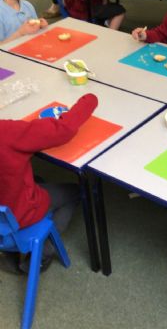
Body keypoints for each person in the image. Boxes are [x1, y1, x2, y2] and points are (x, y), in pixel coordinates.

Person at [0, 93, 98, 274]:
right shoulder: (6, 133)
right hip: (18, 214)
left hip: (5, 209)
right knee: (77, 191)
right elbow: (63, 129)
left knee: (35, 179)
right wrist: (90, 99)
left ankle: (9, 250)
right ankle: (42, 254)